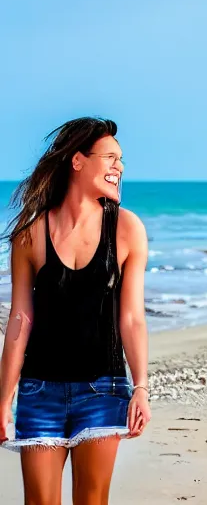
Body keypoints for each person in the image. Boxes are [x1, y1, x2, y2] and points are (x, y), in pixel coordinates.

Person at [0, 117, 151, 504]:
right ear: (78, 161)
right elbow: (20, 320)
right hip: (38, 391)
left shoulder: (128, 229)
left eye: (122, 160)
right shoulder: (29, 235)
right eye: (111, 158)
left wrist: (141, 388)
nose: (120, 168)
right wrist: (3, 400)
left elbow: (132, 318)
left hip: (104, 389)